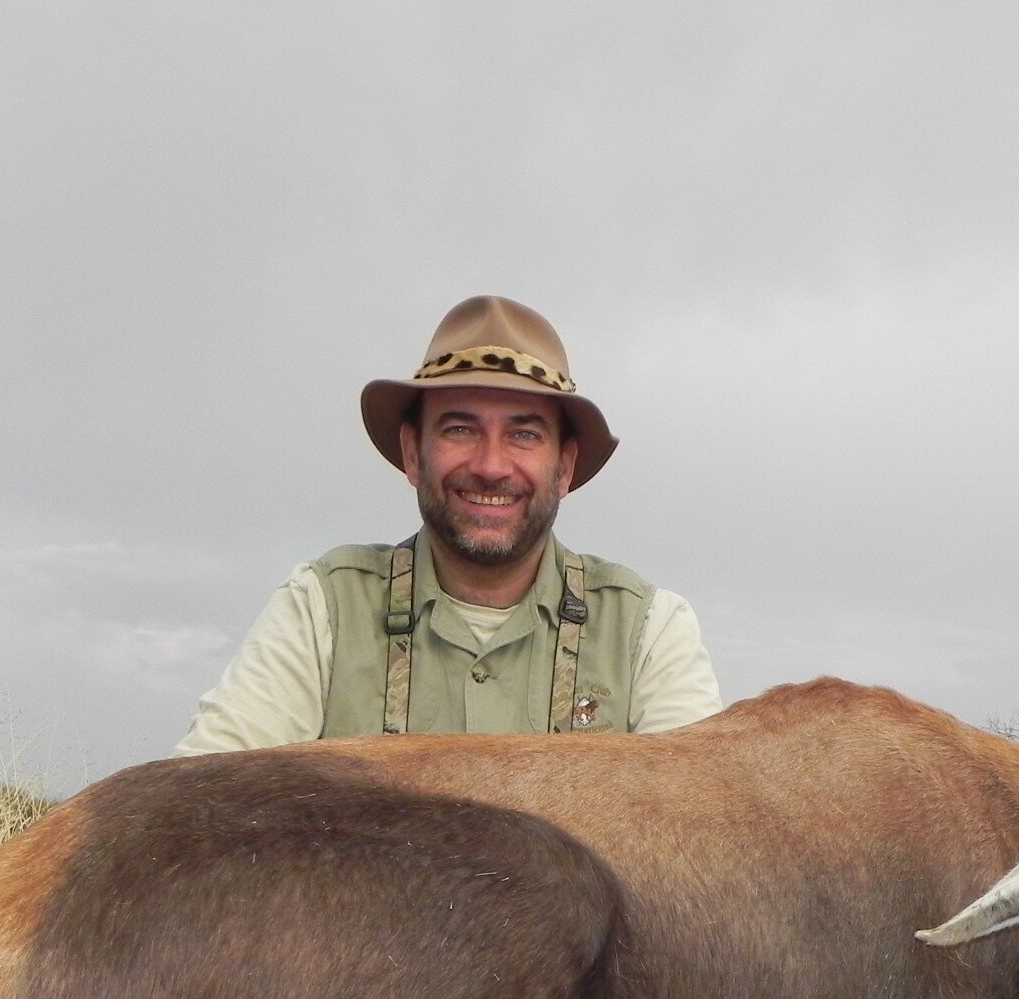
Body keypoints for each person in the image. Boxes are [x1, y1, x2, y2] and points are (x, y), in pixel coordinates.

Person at [176, 295, 721, 751]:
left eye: (524, 434)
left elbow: (700, 841)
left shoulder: (650, 629)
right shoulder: (322, 604)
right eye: (459, 429)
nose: (489, 465)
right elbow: (195, 806)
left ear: (566, 467)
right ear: (413, 454)